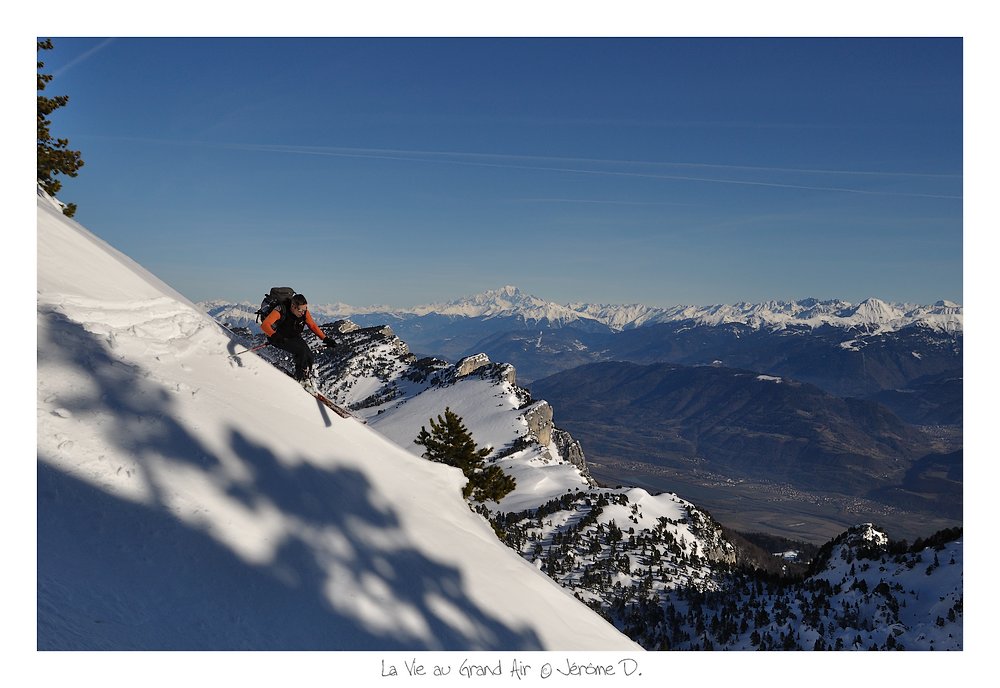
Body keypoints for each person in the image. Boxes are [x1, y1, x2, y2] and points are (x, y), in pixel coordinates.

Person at [260, 293, 336, 382]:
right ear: (293, 306)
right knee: (301, 352)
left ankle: (306, 376)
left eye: (305, 309)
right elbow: (265, 325)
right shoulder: (281, 310)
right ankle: (300, 379)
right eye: (301, 310)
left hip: (294, 336)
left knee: (309, 356)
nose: (303, 312)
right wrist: (274, 335)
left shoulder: (304, 312)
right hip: (278, 337)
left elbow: (312, 325)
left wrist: (325, 339)